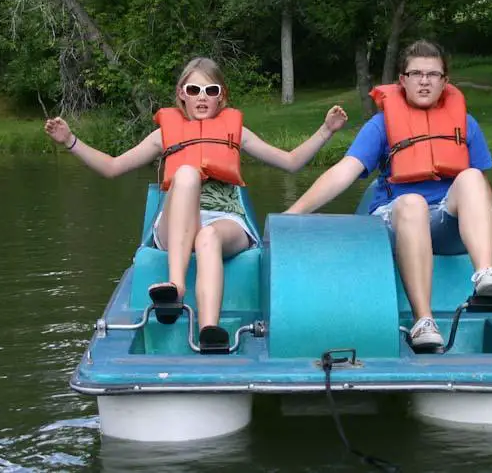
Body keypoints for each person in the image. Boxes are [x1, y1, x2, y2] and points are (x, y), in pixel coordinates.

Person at [45, 57, 347, 351]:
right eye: (193, 90)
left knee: (208, 236)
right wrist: (70, 140)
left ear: (221, 97)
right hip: (174, 225)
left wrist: (326, 130)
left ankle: (209, 330)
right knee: (187, 173)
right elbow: (112, 167)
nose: (202, 97)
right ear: (182, 95)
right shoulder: (163, 134)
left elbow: (291, 162)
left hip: (225, 221)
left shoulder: (236, 132)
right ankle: (176, 287)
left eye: (210, 90)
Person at [284, 40, 492, 349]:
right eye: (416, 73)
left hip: (446, 223)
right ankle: (423, 321)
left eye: (433, 74)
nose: (425, 81)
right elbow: (343, 173)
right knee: (413, 203)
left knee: (471, 177)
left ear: (445, 81)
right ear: (402, 80)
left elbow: (480, 192)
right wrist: (293, 215)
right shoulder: (381, 126)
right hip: (396, 219)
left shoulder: (465, 125)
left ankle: (484, 274)